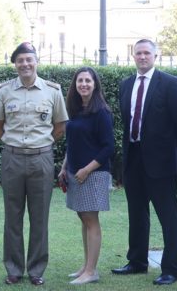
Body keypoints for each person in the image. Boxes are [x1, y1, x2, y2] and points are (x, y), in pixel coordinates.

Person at [0, 42, 68, 286]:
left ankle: (36, 269)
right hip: (12, 158)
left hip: (41, 159)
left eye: (29, 59)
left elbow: (60, 127)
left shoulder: (52, 91)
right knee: (12, 216)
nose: (25, 64)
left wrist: (40, 144)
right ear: (15, 64)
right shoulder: (3, 91)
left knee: (39, 216)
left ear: (36, 62)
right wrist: (13, 143)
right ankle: (13, 269)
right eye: (20, 60)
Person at [112, 39, 177, 286]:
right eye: (138, 53)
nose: (142, 57)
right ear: (133, 56)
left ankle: (170, 269)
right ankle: (137, 262)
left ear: (156, 55)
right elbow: (127, 120)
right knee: (137, 213)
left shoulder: (170, 84)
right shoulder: (125, 85)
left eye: (147, 53)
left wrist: (168, 152)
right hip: (133, 160)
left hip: (161, 163)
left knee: (168, 216)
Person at [58, 67, 114, 285]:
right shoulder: (75, 109)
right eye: (80, 80)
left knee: (91, 220)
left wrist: (86, 169)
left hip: (93, 174)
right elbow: (72, 144)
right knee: (84, 218)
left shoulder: (101, 112)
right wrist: (65, 167)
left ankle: (91, 272)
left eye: (88, 81)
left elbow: (108, 147)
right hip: (75, 172)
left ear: (95, 84)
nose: (83, 84)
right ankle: (86, 266)